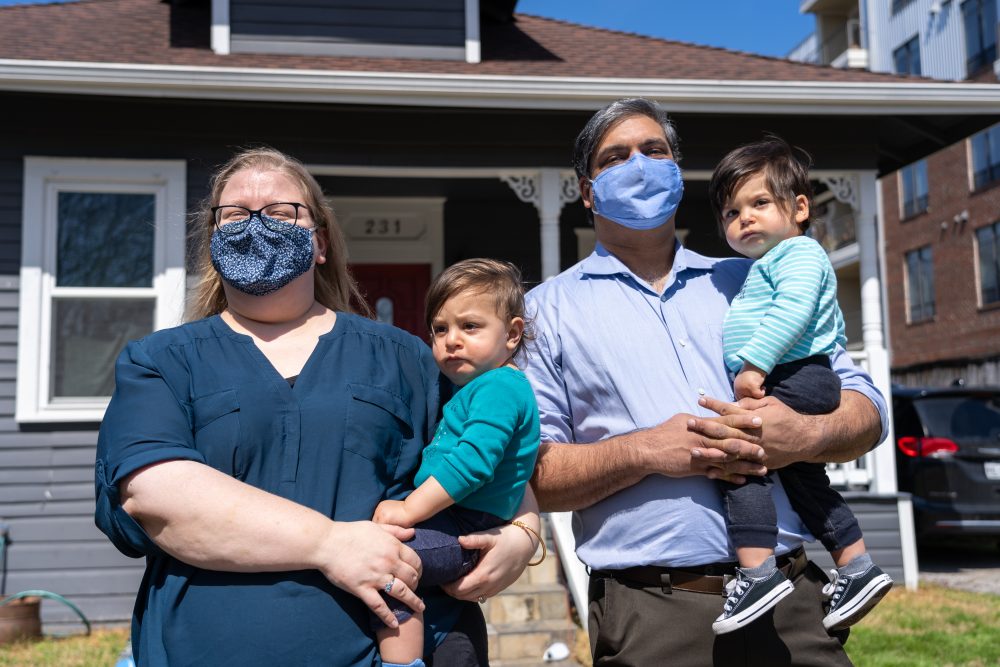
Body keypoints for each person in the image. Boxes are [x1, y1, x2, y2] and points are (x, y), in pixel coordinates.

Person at [94, 147, 541, 667]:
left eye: (281, 212)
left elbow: (491, 443)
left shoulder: (404, 358)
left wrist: (523, 533)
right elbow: (156, 495)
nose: (256, 222)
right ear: (213, 240)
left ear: (320, 242)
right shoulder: (161, 362)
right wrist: (329, 544)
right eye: (235, 214)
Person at [523, 98, 889, 667]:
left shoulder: (755, 275)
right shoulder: (545, 313)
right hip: (652, 613)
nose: (640, 165)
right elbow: (537, 475)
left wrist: (805, 435)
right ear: (588, 191)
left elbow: (866, 407)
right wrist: (647, 450)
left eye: (656, 151)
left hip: (792, 608)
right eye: (616, 157)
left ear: (676, 171)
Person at [707, 136, 893, 635]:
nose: (744, 218)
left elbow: (792, 313)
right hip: (796, 375)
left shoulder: (800, 254)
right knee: (805, 478)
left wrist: (753, 367)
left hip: (798, 374)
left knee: (741, 460)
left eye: (759, 203)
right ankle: (856, 567)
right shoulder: (765, 264)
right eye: (731, 212)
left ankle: (757, 574)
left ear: (800, 208)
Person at [371, 258, 542, 667]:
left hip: (467, 526)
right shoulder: (477, 386)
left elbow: (472, 464)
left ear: (513, 334)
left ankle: (402, 662)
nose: (452, 340)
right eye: (440, 329)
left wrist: (408, 510)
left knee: (389, 562)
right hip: (456, 522)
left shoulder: (500, 386)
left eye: (470, 327)